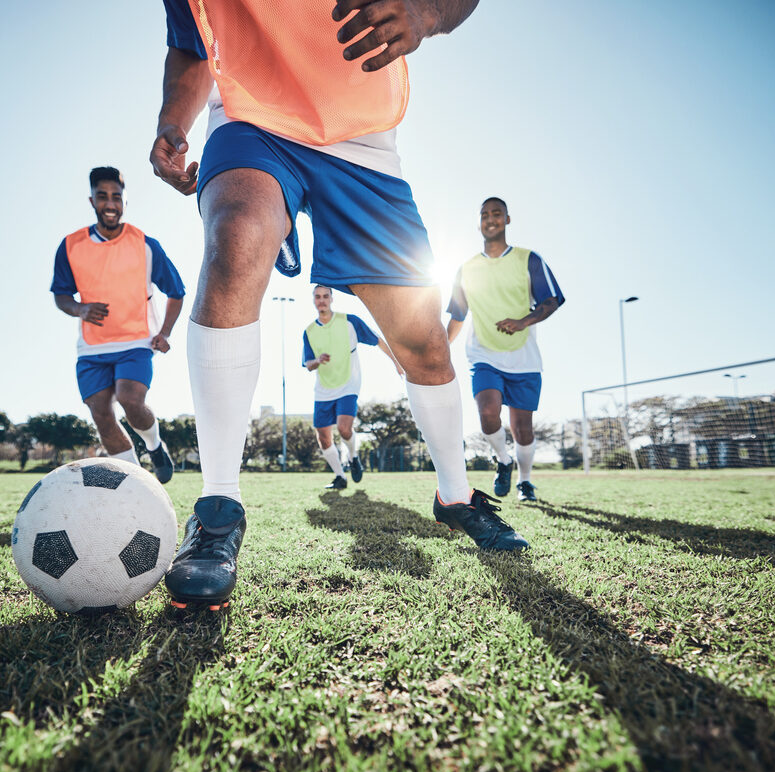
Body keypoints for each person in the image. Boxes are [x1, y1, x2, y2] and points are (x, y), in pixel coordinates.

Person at [152, 0, 527, 611]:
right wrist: (173, 121)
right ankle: (218, 507)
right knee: (237, 238)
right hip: (250, 116)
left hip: (361, 138)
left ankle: (455, 496)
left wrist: (426, 12)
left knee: (424, 344)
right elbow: (193, 40)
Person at [50, 166, 184, 483]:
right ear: (92, 200)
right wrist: (80, 309)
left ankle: (154, 444)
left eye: (116, 197)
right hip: (92, 347)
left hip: (136, 341)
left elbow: (176, 291)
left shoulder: (146, 245)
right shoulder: (70, 246)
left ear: (123, 201)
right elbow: (61, 294)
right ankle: (137, 483)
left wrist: (164, 332)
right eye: (102, 197)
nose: (110, 204)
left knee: (130, 400)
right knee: (101, 413)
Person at [446, 197, 565, 502]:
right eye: (484, 214)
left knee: (523, 429)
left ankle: (525, 482)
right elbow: (458, 316)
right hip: (483, 354)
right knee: (487, 412)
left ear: (507, 220)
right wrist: (441, 350)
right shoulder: (466, 269)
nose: (490, 218)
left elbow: (551, 300)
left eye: (497, 213)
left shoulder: (529, 259)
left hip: (523, 357)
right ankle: (503, 459)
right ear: (478, 222)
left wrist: (524, 321)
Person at [304, 284, 403, 490]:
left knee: (344, 428)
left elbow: (378, 340)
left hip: (349, 383)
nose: (321, 300)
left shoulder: (349, 321)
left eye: (325, 296)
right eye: (317, 297)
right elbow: (307, 364)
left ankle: (353, 456)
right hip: (323, 389)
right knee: (323, 437)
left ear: (331, 299)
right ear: (314, 300)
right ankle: (340, 476)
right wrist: (317, 361)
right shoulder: (309, 332)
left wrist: (396, 362)